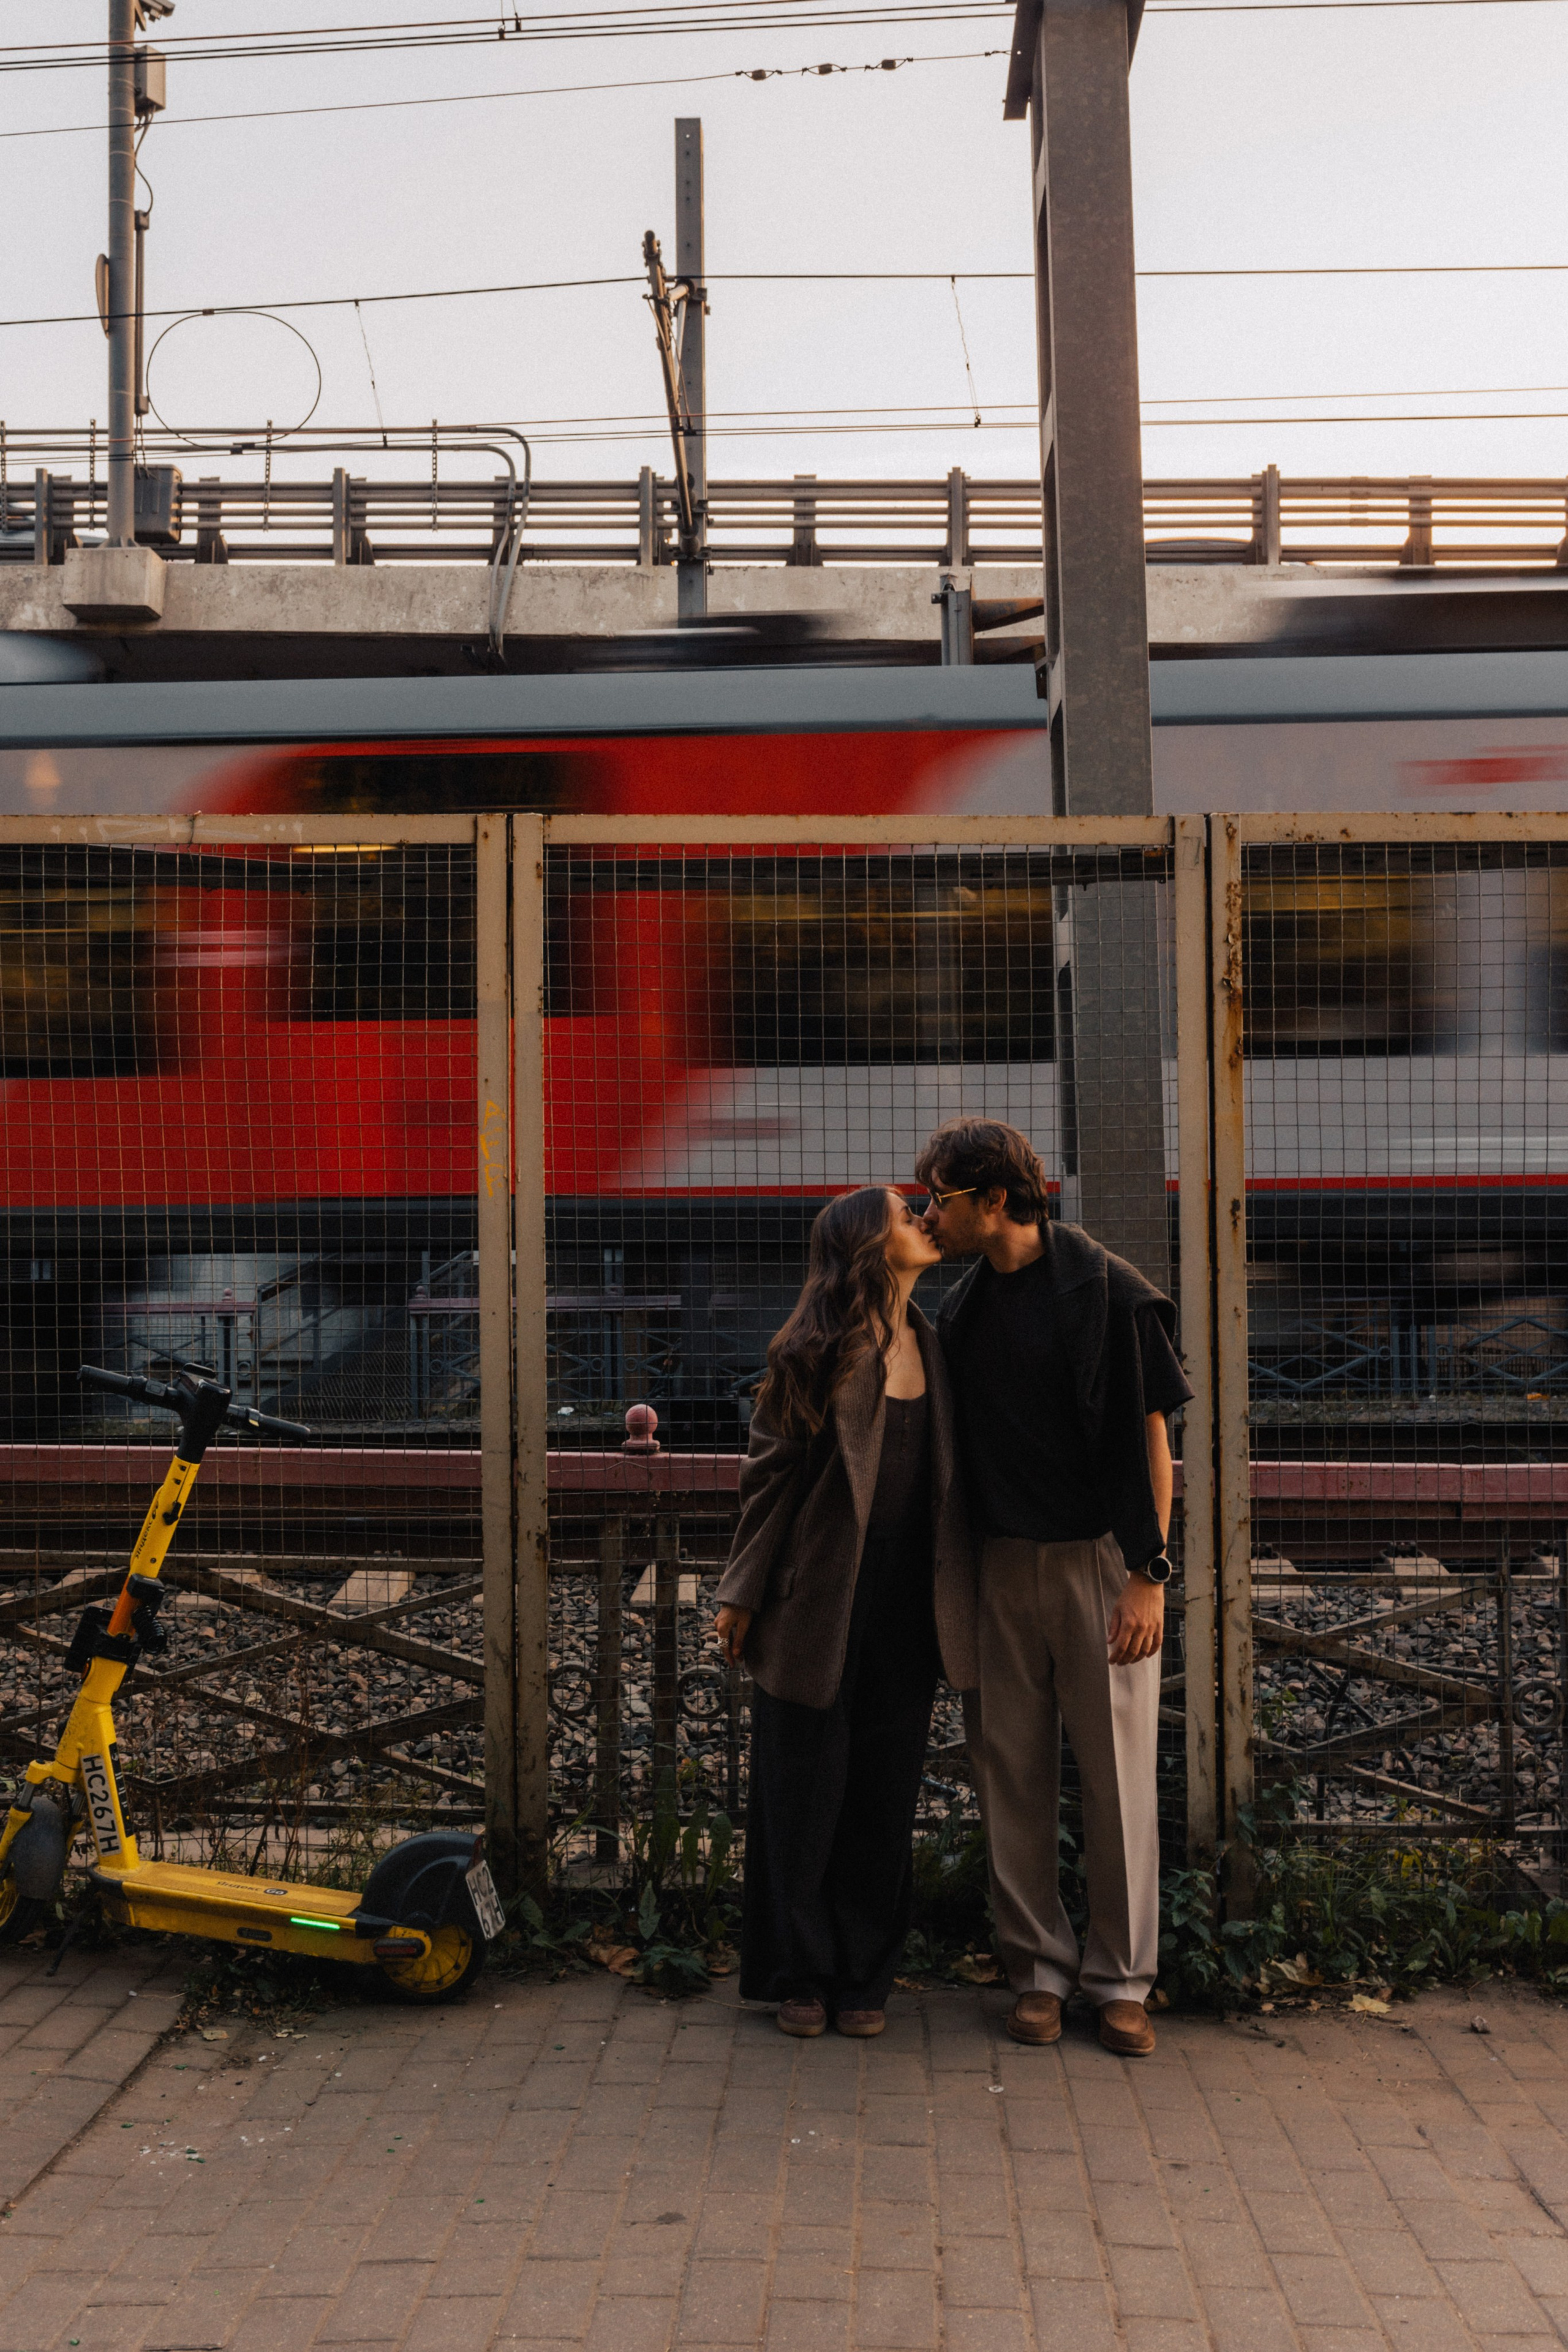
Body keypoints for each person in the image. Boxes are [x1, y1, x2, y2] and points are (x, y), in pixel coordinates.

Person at [914, 1117, 1192, 2058]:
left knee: (1117, 1783)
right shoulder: (962, 1310)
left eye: (939, 1198)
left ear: (993, 1199)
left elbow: (1154, 1444)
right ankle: (1037, 1969)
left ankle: (1121, 1981)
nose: (928, 1214)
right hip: (1000, 1564)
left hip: (1097, 1564)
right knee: (1012, 1778)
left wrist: (1149, 1575)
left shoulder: (1108, 1292)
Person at [713, 1186, 977, 2040]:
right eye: (909, 1213)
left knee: (884, 1792)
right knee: (803, 1792)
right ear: (871, 1243)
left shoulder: (937, 1346)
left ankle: (866, 1975)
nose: (925, 1220)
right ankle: (800, 1974)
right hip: (815, 1602)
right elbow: (769, 1480)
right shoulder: (814, 1348)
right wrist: (742, 1593)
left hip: (909, 1603)